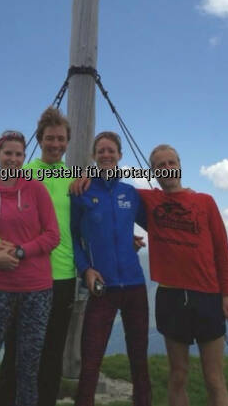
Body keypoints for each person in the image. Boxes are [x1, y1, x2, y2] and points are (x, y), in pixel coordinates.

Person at [0, 130, 60, 406]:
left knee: (28, 367)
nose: (13, 159)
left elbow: (53, 235)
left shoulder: (36, 190)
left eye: (18, 154)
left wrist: (19, 251)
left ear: (24, 157)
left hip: (37, 290)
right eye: (8, 154)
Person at [0, 108, 77, 406]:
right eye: (49, 138)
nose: (55, 144)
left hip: (63, 275)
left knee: (52, 353)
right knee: (15, 352)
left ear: (67, 142)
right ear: (40, 139)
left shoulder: (75, 179)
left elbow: (93, 219)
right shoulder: (22, 175)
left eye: (60, 139)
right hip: (23, 275)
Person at [140, 144, 228, 406]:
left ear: (180, 165)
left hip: (207, 295)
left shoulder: (205, 201)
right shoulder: (149, 201)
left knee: (214, 378)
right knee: (178, 375)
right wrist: (84, 175)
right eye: (160, 165)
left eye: (171, 162)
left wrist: (227, 295)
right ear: (153, 172)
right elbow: (111, 190)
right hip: (170, 295)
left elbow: (221, 250)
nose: (167, 168)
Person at [70, 131, 152, 406]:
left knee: (139, 356)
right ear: (94, 155)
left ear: (119, 155)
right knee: (91, 358)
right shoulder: (81, 190)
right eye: (101, 150)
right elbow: (72, 237)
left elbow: (152, 225)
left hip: (134, 284)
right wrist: (85, 270)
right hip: (101, 285)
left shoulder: (130, 192)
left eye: (111, 150)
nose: (106, 154)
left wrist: (130, 239)